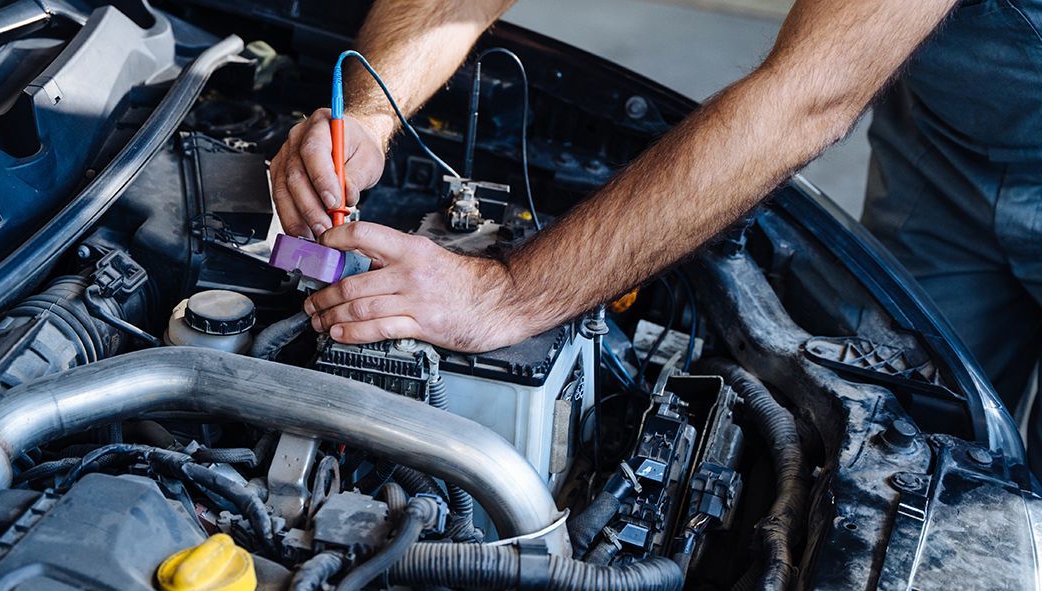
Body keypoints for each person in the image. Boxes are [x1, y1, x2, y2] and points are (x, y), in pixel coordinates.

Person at [270, 0, 1041, 470]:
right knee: (936, 434)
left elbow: (808, 97)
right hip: (946, 136)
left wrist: (510, 292)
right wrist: (373, 112)